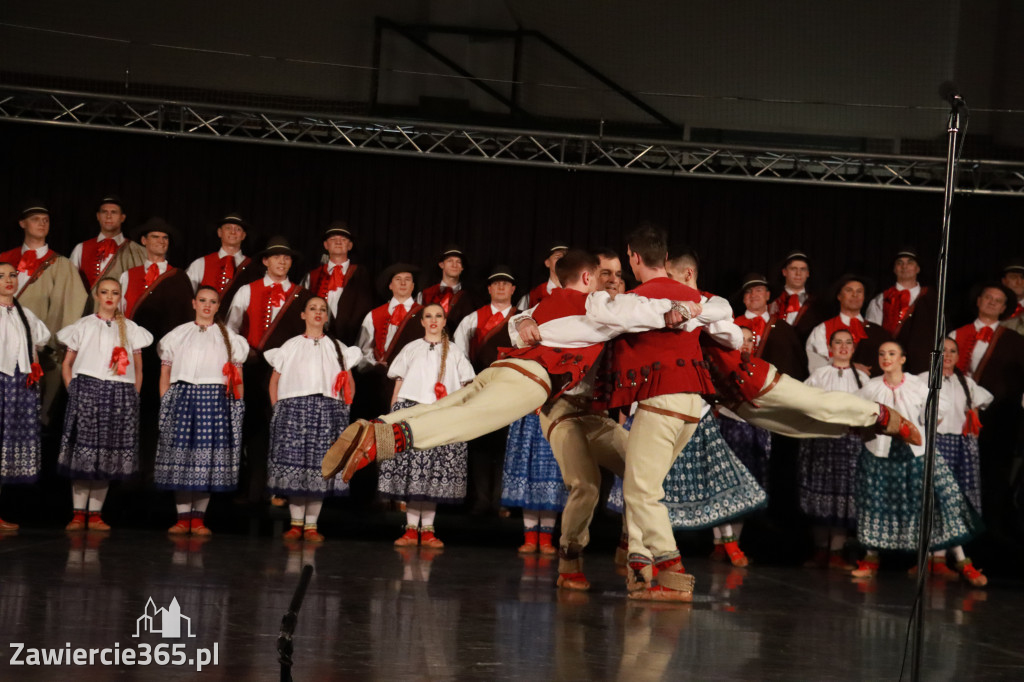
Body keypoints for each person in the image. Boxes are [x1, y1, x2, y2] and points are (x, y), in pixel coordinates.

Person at [593, 224, 712, 602]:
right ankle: (641, 566)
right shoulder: (698, 297)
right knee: (645, 488)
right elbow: (726, 325)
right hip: (693, 404)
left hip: (661, 399)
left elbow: (599, 318)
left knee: (641, 490)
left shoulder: (635, 300)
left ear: (633, 256)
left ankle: (672, 571)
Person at [850, 342, 981, 579]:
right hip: (880, 452)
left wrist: (923, 423)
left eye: (891, 354)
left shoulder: (915, 384)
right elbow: (854, 408)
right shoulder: (871, 387)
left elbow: (939, 405)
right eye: (881, 354)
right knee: (873, 502)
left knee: (939, 501)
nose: (886, 358)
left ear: (902, 359)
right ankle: (870, 559)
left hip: (915, 452)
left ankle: (963, 562)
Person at [57, 277, 153, 531]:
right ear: (97, 296)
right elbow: (67, 363)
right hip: (87, 389)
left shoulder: (131, 329)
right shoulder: (84, 325)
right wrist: (74, 390)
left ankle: (96, 514)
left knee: (107, 453)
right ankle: (78, 513)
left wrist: (133, 394)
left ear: (120, 296)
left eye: (115, 293)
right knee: (84, 454)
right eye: (105, 292)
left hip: (119, 392)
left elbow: (139, 369)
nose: (110, 297)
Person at [265, 296, 362, 542]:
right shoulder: (291, 345)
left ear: (327, 316)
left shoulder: (338, 347)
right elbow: (275, 380)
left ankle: (311, 525)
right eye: (312, 309)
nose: (318, 313)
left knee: (320, 468)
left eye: (322, 309)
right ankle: (296, 523)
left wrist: (345, 409)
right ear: (303, 315)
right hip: (293, 409)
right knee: (296, 468)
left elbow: (348, 381)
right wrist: (277, 408)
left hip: (328, 411)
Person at [155, 286, 249, 536]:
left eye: (213, 302)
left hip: (215, 400)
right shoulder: (178, 335)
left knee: (205, 459)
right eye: (203, 300)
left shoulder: (230, 337)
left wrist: (237, 405)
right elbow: (165, 372)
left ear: (219, 306)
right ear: (194, 303)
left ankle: (198, 518)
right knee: (182, 457)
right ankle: (182, 516)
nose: (207, 305)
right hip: (183, 397)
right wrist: (166, 401)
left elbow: (237, 378)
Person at [380, 303, 476, 548]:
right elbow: (399, 385)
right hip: (412, 413)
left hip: (443, 415)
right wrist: (393, 416)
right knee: (414, 472)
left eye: (439, 316)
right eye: (428, 316)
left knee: (433, 472)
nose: (434, 320)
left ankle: (429, 529)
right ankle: (411, 529)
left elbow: (466, 387)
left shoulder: (454, 352)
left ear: (445, 321)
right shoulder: (411, 349)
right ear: (422, 321)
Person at [226, 236, 312, 502]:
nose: (282, 262)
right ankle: (252, 491)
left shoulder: (302, 295)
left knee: (285, 431)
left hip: (289, 374)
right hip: (253, 371)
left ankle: (281, 490)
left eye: (286, 258)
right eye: (276, 257)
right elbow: (230, 330)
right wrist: (245, 354)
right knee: (252, 431)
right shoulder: (247, 291)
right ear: (265, 261)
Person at [0, 202, 88, 426]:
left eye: (45, 220)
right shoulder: (5, 258)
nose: (41, 223)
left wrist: (56, 343)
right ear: (22, 223)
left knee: (35, 411)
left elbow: (72, 306)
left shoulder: (61, 264)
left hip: (39, 348)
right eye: (35, 219)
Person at [950, 284, 1024, 536]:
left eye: (998, 301)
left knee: (993, 477)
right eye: (988, 298)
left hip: (998, 421)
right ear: (979, 300)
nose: (992, 303)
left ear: (1005, 308)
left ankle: (989, 533)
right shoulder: (956, 334)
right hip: (958, 419)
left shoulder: (1015, 341)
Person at [916, 338, 991, 586]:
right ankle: (942, 558)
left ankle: (938, 560)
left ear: (959, 356)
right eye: (943, 351)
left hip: (959, 446)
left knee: (953, 503)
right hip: (933, 444)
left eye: (952, 351)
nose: (947, 355)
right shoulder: (921, 380)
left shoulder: (966, 383)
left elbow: (980, 407)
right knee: (935, 501)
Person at [797, 329, 868, 570]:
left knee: (843, 496)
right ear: (831, 347)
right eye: (838, 342)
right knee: (820, 494)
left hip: (849, 442)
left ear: (853, 347)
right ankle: (820, 551)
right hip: (821, 440)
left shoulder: (863, 379)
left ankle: (836, 552)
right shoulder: (819, 375)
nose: (843, 346)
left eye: (848, 342)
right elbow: (804, 403)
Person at [453, 265, 518, 516]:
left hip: (511, 392)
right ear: (489, 289)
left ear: (513, 289)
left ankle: (502, 500)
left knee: (507, 447)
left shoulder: (522, 319)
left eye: (506, 283)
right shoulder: (471, 320)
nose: (501, 287)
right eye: (496, 283)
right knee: (480, 446)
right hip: (480, 391)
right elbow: (459, 355)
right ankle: (480, 500)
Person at [0, 262, 50, 532]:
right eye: (1, 276)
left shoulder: (25, 314)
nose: (8, 280)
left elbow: (36, 345)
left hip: (19, 384)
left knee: (6, 447)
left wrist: (33, 368)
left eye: (12, 275)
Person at [864, 247, 937, 374]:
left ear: (918, 269)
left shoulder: (932, 299)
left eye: (910, 262)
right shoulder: (881, 299)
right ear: (894, 269)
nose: (904, 266)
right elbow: (873, 334)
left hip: (922, 366)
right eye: (900, 263)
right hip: (890, 364)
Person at [301, 221, 374, 346]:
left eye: (343, 239)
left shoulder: (362, 275)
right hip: (316, 340)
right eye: (333, 239)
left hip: (351, 340)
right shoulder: (312, 276)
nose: (338, 242)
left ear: (350, 245)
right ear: (326, 245)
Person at [806, 274, 890, 376]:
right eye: (849, 290)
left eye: (859, 291)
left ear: (864, 297)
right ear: (839, 296)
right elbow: (817, 365)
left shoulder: (878, 332)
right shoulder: (822, 329)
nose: (855, 295)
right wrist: (848, 366)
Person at [69, 195, 147, 304]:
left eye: (114, 212)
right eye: (104, 212)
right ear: (98, 216)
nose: (108, 216)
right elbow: (70, 286)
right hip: (88, 313)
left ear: (122, 217)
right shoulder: (81, 248)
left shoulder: (137, 251)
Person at [734, 272, 807, 380]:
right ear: (744, 298)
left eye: (758, 290)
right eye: (748, 292)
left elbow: (794, 363)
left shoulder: (783, 328)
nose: (753, 295)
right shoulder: (733, 326)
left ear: (768, 295)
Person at [185, 212, 260, 312]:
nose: (233, 232)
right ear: (219, 232)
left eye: (238, 229)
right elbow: (186, 297)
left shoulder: (253, 267)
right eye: (228, 228)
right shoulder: (199, 264)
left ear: (243, 235)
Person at [768, 250, 825, 342]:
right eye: (793, 269)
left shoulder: (817, 305)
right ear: (784, 272)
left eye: (803, 269)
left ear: (808, 273)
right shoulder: (771, 301)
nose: (798, 273)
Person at [418, 245, 475, 335]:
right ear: (441, 265)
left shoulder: (471, 298)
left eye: (458, 262)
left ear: (462, 268)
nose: (454, 265)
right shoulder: (425, 294)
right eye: (450, 261)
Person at [517, 241, 568, 309]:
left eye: (565, 257)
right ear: (547, 263)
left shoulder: (578, 292)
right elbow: (518, 318)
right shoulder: (532, 296)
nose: (562, 261)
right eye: (558, 257)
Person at [1000, 258, 1024, 322]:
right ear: (1004, 281)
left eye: (1023, 277)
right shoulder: (995, 306)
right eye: (1013, 277)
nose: (1019, 282)